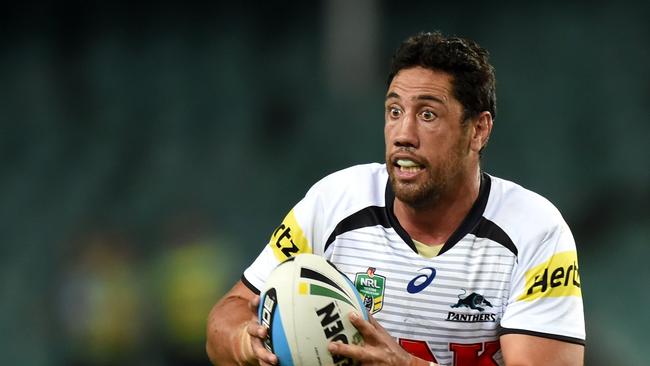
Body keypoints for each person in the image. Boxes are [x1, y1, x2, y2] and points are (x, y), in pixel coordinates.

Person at [206, 31, 585, 366]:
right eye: (394, 111)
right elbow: (228, 315)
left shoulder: (535, 231)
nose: (403, 133)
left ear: (478, 130)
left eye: (427, 114)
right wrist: (246, 343)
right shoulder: (334, 202)